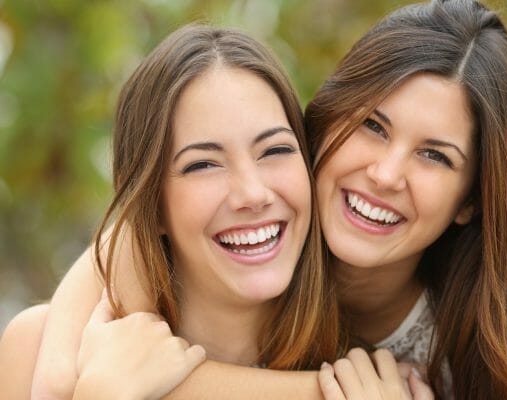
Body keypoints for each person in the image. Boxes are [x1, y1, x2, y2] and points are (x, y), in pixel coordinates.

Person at [2, 0, 507, 398]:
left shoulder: (455, 359)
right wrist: (63, 371)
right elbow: (130, 231)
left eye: (435, 156)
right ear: (322, 125)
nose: (384, 173)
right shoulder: (268, 220)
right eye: (373, 126)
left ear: (471, 200)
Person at [0, 23, 354, 399]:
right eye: (202, 164)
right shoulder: (39, 352)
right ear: (147, 204)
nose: (252, 193)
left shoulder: (369, 369)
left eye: (275, 150)